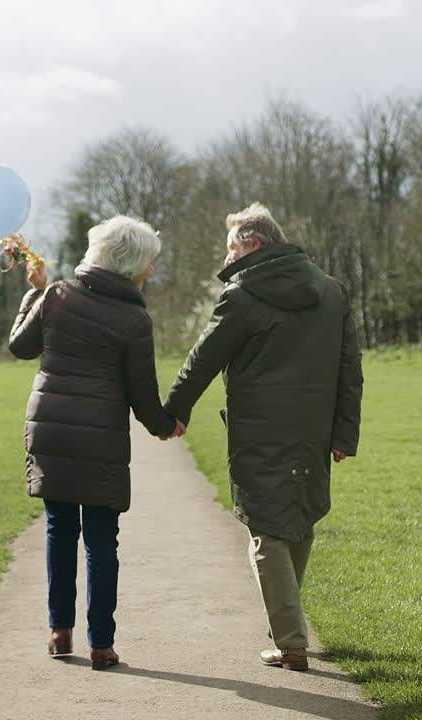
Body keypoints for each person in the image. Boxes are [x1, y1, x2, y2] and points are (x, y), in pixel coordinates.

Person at [163, 203, 363, 672]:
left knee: (265, 528)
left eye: (231, 247)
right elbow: (349, 371)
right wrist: (344, 433)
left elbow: (203, 357)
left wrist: (173, 410)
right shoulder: (332, 291)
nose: (226, 257)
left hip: (259, 430)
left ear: (253, 243)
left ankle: (291, 642)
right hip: (314, 430)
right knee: (298, 517)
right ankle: (289, 631)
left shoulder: (243, 293)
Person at [8, 215, 183, 671]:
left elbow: (20, 346)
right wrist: (165, 426)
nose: (150, 273)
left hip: (50, 430)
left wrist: (34, 290)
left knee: (59, 531)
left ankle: (58, 630)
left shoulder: (57, 296)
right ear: (132, 265)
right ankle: (101, 645)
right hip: (100, 439)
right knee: (102, 542)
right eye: (149, 265)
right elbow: (143, 394)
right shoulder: (134, 319)